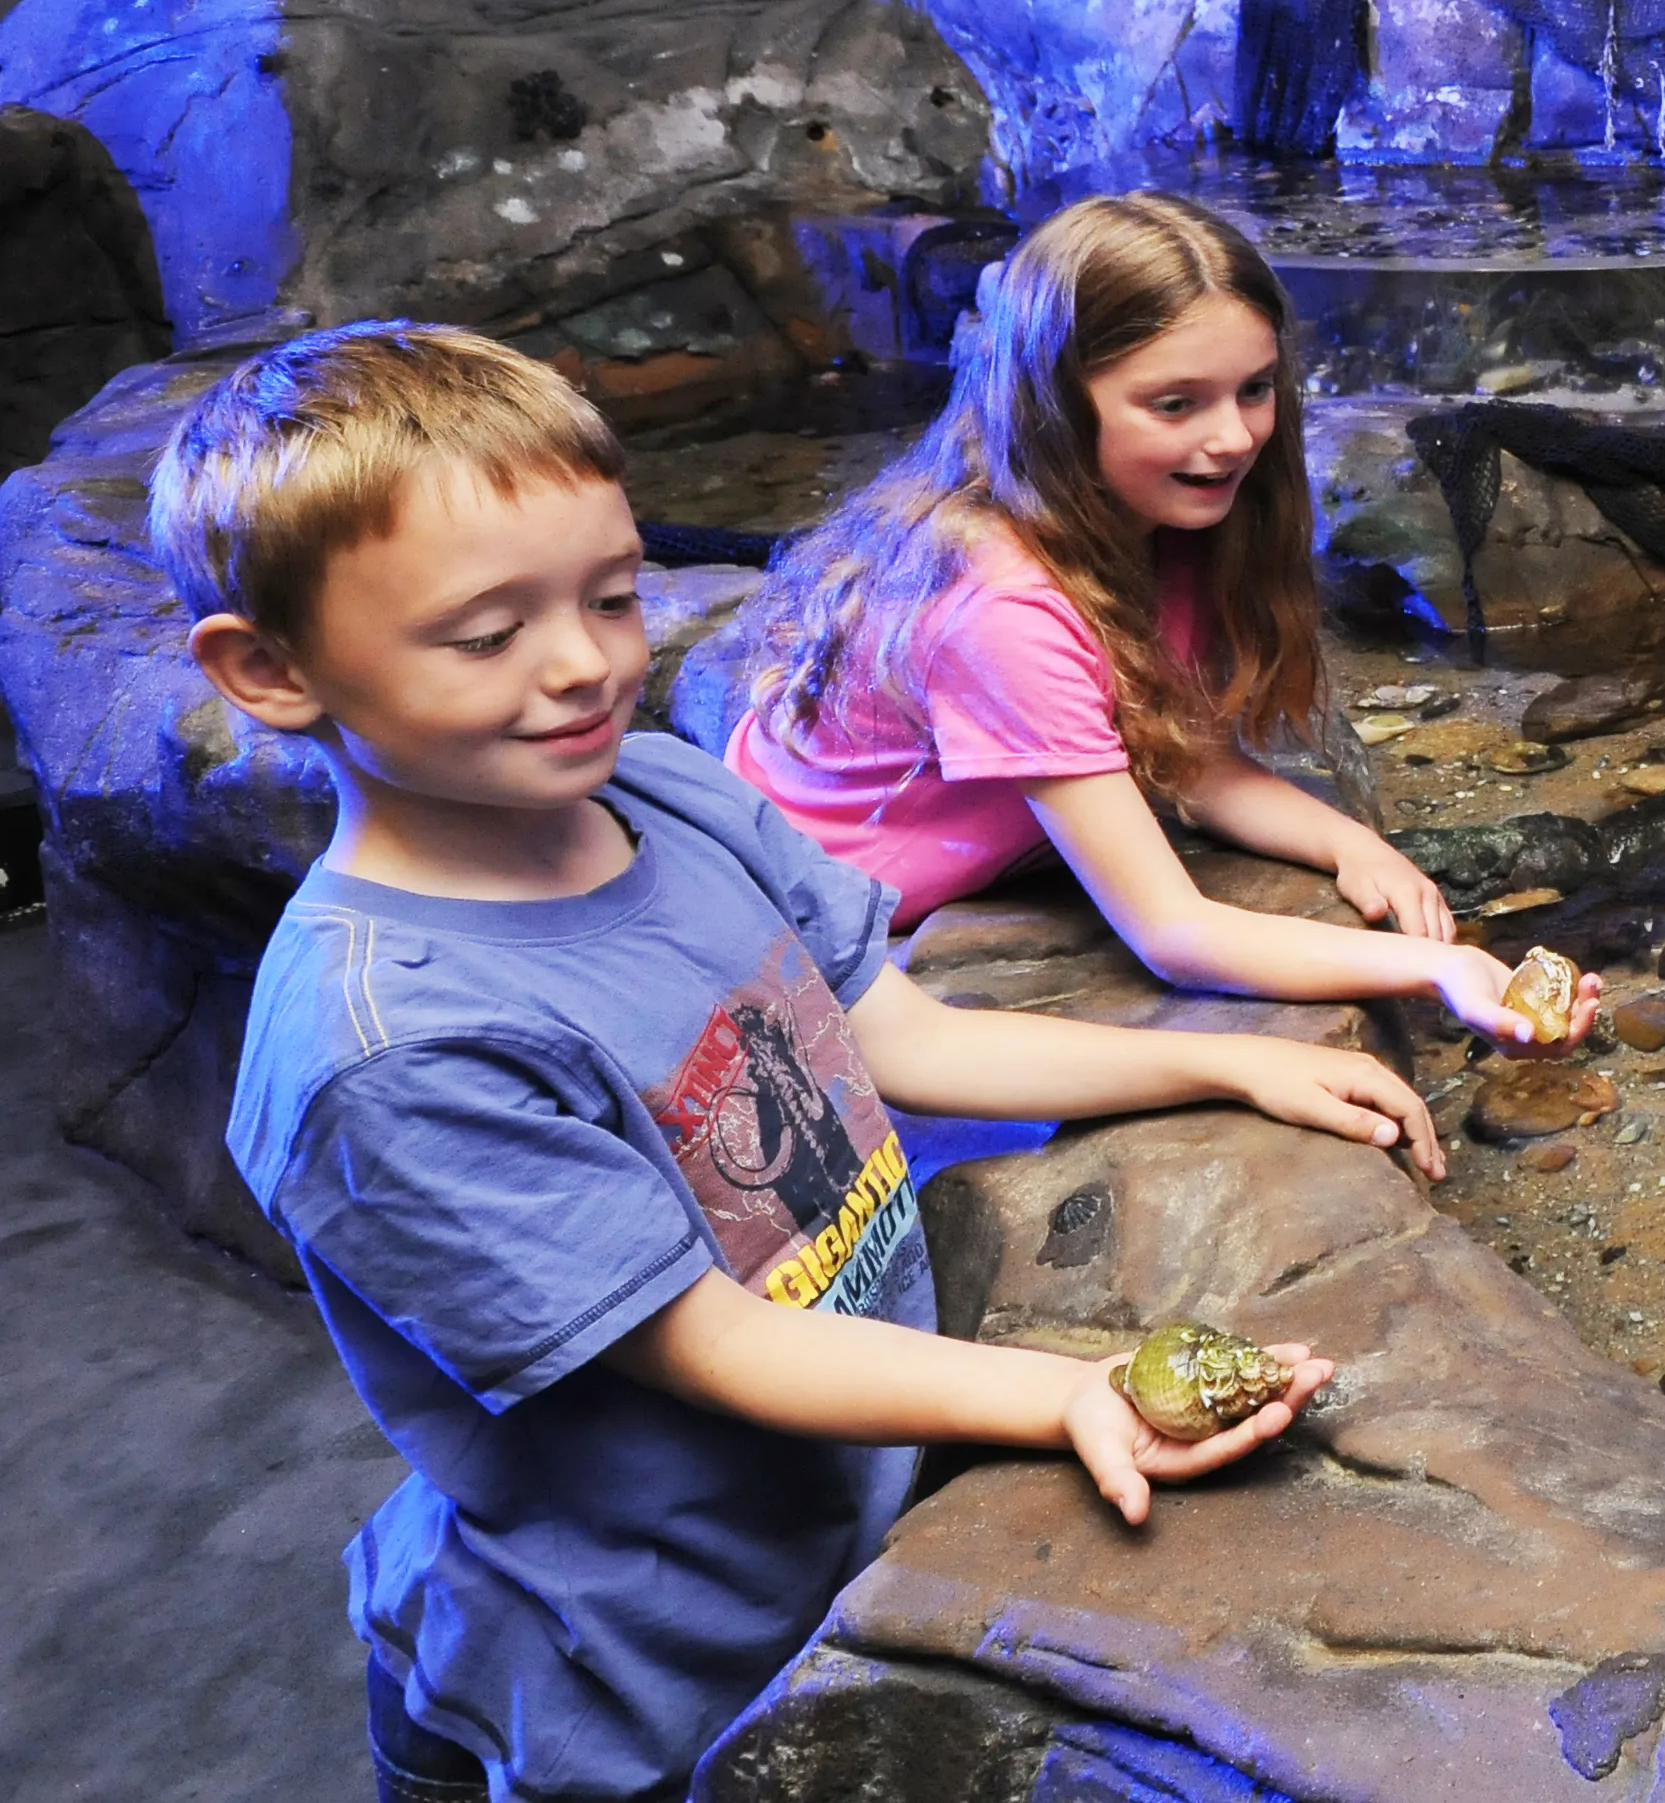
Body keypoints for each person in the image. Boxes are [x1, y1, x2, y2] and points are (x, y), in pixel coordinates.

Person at [175, 323, 1441, 1803]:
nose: (585, 664)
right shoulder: (393, 1052)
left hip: (817, 1549)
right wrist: (1068, 1391)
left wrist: (1226, 1069)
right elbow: (718, 1345)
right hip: (634, 1678)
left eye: (611, 592)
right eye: (487, 633)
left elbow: (903, 1035)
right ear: (270, 669)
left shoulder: (659, 789)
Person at [729, 191, 1594, 1047]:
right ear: (1054, 402)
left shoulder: (1155, 521)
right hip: (808, 922)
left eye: (1254, 389)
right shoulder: (1001, 609)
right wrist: (1442, 970)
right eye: (1175, 404)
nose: (1232, 438)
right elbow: (1173, 935)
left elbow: (1182, 753)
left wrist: (1348, 843)